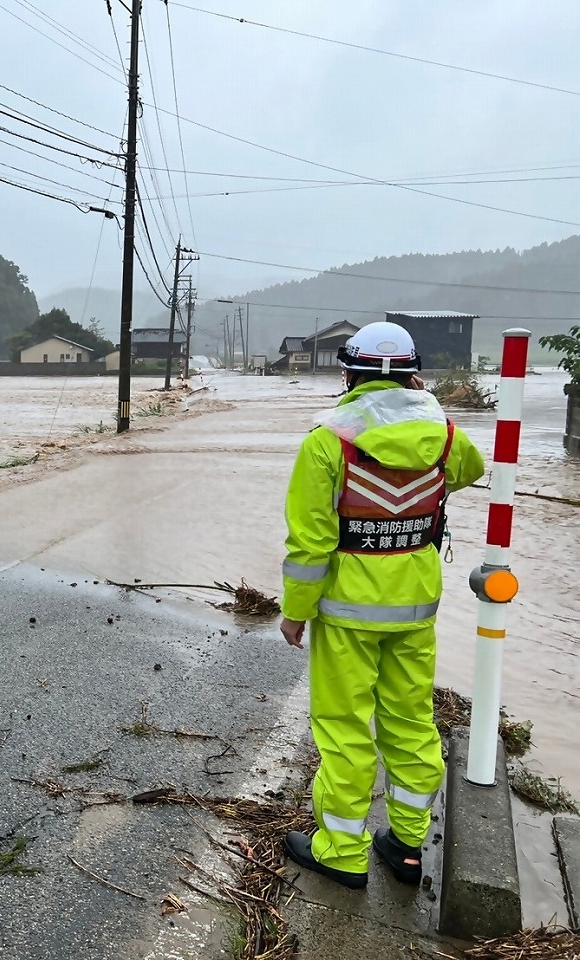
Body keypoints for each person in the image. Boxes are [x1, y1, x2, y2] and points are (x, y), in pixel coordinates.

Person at [279, 321, 484, 889]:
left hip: (346, 611)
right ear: (416, 374)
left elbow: (310, 541)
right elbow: (471, 470)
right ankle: (408, 845)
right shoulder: (443, 433)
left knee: (344, 727)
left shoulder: (328, 440)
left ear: (349, 372)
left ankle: (342, 852)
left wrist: (295, 610)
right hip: (416, 606)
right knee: (411, 720)